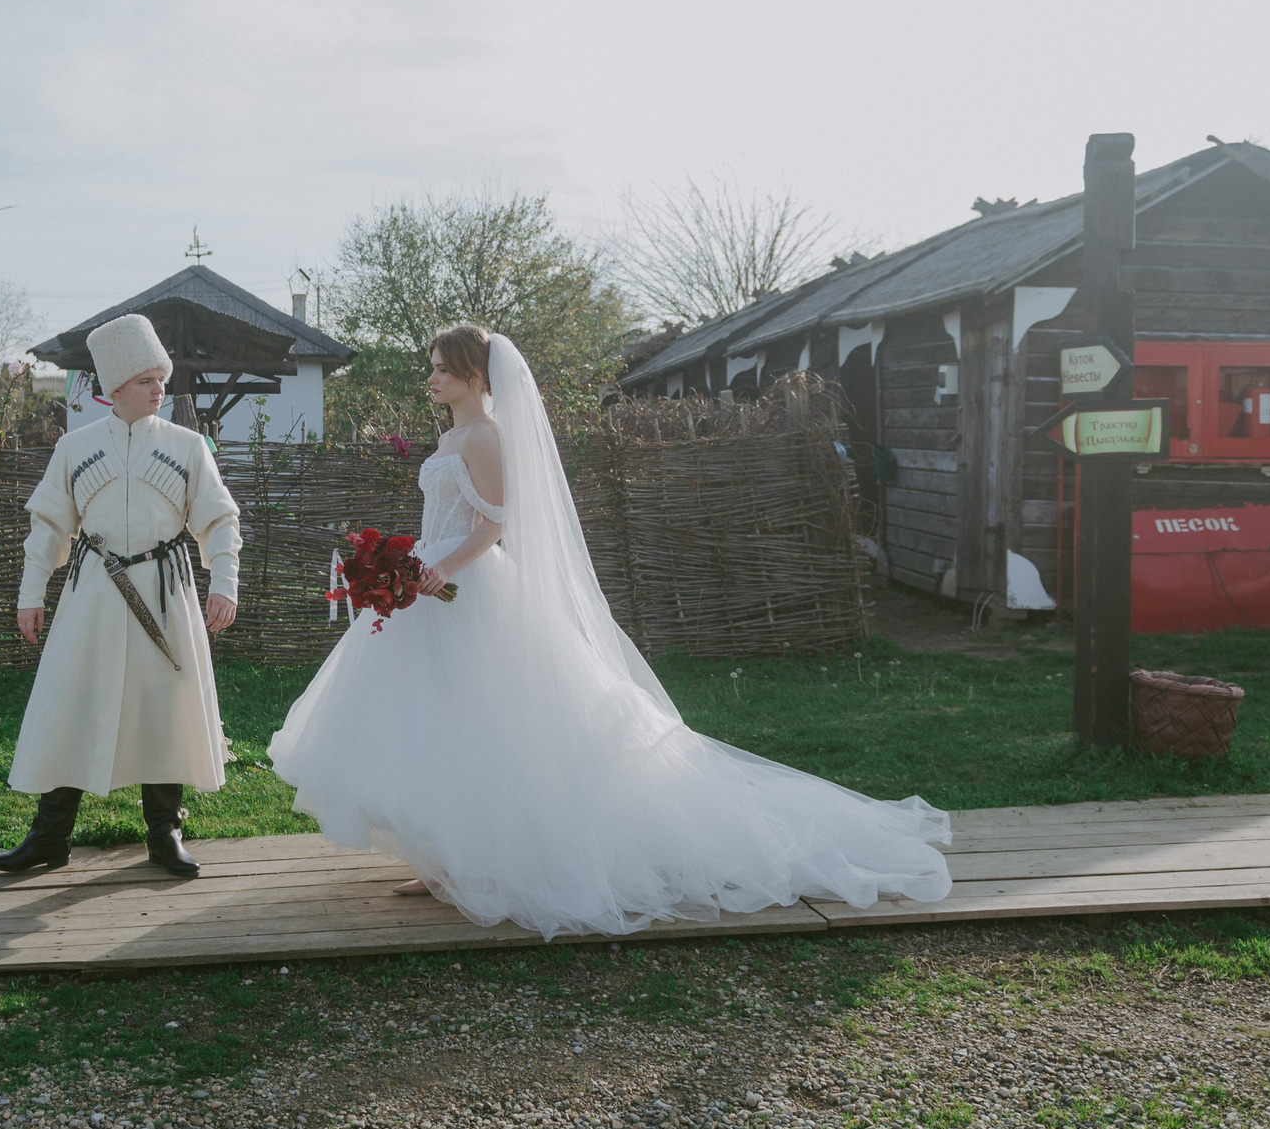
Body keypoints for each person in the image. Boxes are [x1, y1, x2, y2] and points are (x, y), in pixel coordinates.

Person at [267, 324, 952, 937]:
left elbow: (495, 524)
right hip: (434, 583)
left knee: (487, 721)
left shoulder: (486, 435)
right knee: (436, 719)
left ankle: (473, 861)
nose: (431, 376)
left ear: (477, 375)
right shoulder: (452, 434)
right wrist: (409, 562)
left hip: (465, 587)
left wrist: (431, 567)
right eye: (433, 365)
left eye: (442, 366)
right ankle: (446, 857)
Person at [0, 312, 242, 878]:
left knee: (164, 706)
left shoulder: (188, 447)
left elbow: (220, 521)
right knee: (73, 703)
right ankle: (49, 837)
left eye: (162, 377)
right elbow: (48, 528)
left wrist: (223, 583)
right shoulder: (75, 450)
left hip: (164, 591)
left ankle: (165, 833)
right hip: (93, 595)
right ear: (117, 387)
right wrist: (32, 595)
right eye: (148, 380)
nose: (161, 389)